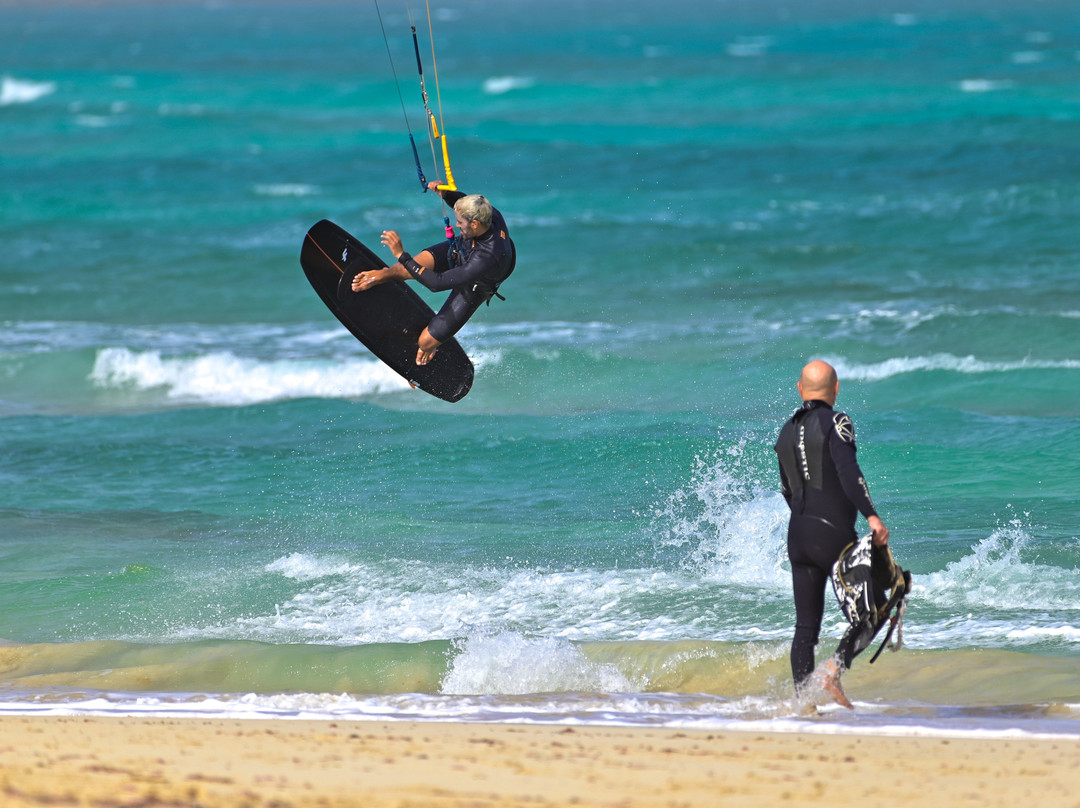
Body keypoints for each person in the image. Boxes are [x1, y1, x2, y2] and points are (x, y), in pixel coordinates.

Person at [774, 359, 890, 708]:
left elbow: (787, 489)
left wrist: (808, 524)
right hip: (833, 536)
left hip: (798, 536)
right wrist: (872, 516)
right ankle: (834, 670)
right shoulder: (838, 421)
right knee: (876, 609)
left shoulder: (784, 432)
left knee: (805, 629)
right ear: (836, 388)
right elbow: (848, 471)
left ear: (800, 389)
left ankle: (803, 704)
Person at [351, 183, 516, 366]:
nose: (456, 225)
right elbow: (461, 203)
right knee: (404, 269)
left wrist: (402, 256)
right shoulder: (486, 212)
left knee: (424, 342)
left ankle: (433, 346)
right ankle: (385, 275)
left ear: (475, 224)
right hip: (463, 250)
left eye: (460, 223)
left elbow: (436, 284)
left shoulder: (488, 256)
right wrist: (446, 193)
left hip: (476, 285)